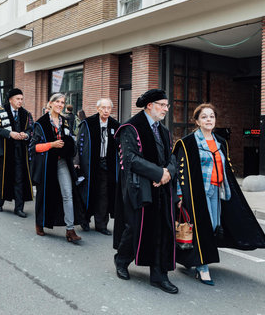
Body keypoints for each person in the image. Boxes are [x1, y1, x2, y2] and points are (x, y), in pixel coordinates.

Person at [172, 103, 265, 285]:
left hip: (217, 190)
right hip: (196, 192)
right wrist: (179, 196)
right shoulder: (188, 143)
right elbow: (179, 171)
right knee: (203, 227)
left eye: (212, 116)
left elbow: (226, 169)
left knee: (214, 225)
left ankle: (189, 258)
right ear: (197, 121)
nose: (209, 120)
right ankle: (203, 268)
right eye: (204, 117)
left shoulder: (220, 142)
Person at [113, 89, 179, 294]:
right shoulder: (131, 128)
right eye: (162, 105)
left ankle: (159, 275)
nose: (166, 109)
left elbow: (173, 157)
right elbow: (130, 159)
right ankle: (122, 260)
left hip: (163, 188)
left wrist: (168, 172)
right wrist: (158, 173)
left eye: (167, 105)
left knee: (163, 229)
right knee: (136, 228)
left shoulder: (164, 131)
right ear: (150, 105)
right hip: (140, 187)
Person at [30, 93, 84, 242]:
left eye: (63, 102)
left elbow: (71, 139)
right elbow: (34, 148)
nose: (60, 105)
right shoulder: (40, 123)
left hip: (61, 162)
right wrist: (52, 145)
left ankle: (70, 229)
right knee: (44, 194)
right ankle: (40, 223)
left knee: (68, 193)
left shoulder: (65, 122)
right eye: (58, 102)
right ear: (50, 103)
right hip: (46, 164)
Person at [76, 98, 120, 235]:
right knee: (88, 192)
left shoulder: (115, 125)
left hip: (107, 165)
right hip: (89, 164)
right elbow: (79, 144)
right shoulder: (88, 124)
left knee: (104, 195)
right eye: (103, 108)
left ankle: (101, 225)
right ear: (97, 108)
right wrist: (77, 161)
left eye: (108, 108)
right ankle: (84, 220)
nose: (106, 111)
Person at [0, 88, 34, 217]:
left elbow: (30, 129)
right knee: (4, 176)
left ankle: (19, 207)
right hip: (5, 150)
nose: (20, 101)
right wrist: (10, 134)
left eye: (21, 99)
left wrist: (25, 135)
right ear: (10, 100)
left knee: (20, 178)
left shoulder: (26, 114)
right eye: (17, 99)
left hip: (21, 150)